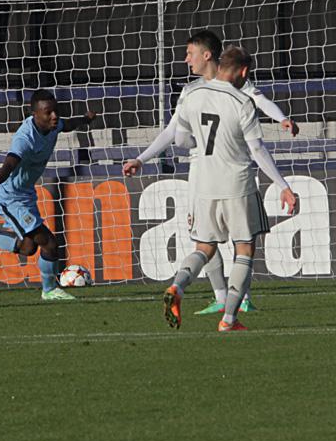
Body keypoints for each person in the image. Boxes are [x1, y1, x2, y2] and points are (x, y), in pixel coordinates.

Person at [123, 29, 298, 316]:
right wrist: (142, 158)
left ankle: (234, 297)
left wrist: (281, 118)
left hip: (207, 174)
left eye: (189, 53)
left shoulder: (232, 85)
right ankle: (223, 300)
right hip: (218, 173)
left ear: (207, 55)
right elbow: (173, 132)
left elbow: (260, 101)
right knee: (234, 242)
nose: (186, 59)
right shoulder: (193, 90)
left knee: (206, 242)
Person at [0, 90, 98, 300]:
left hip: (25, 194)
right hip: (9, 197)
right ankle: (49, 290)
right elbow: (10, 162)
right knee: (49, 243)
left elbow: (66, 125)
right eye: (48, 113)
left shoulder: (53, 125)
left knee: (28, 247)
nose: (54, 116)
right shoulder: (25, 138)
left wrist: (85, 120)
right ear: (35, 114)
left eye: (55, 111)